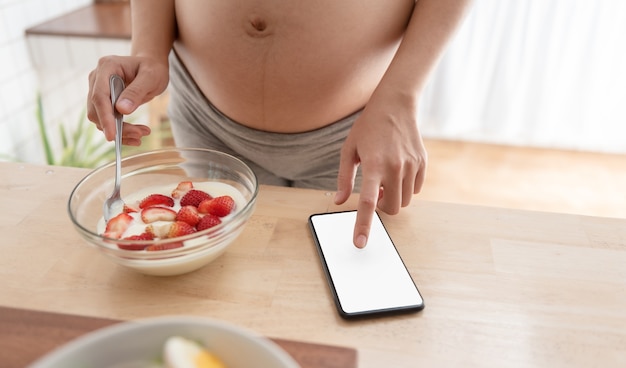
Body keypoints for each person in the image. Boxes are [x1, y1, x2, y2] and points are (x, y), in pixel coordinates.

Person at [87, 0, 472, 248]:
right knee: (225, 275)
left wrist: (401, 95)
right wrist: (148, 51)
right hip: (208, 123)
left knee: (345, 274)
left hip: (353, 135)